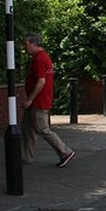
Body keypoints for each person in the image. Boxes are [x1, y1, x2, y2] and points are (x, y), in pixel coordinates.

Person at [20, 33, 76, 168]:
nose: (24, 47)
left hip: (38, 102)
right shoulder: (43, 57)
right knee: (27, 129)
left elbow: (41, 81)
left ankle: (65, 152)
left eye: (26, 44)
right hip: (38, 101)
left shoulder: (39, 59)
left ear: (34, 44)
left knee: (42, 129)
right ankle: (26, 157)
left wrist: (30, 99)